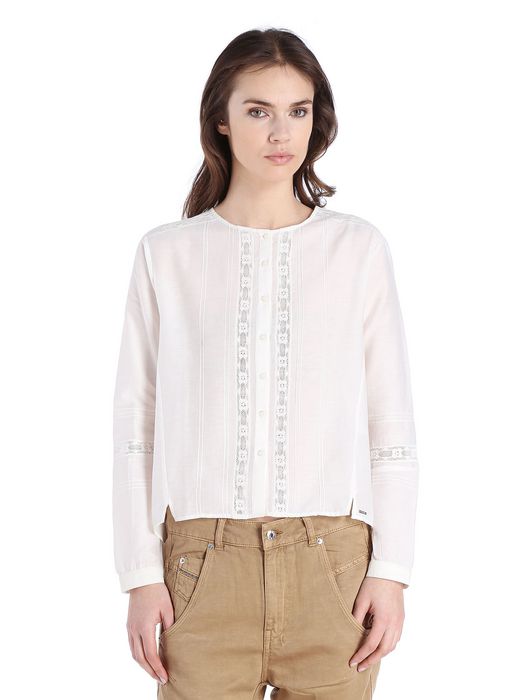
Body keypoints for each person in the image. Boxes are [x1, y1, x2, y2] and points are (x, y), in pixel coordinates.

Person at [112, 27, 419, 699]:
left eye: (297, 110)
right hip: (198, 571)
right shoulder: (167, 254)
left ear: (316, 119)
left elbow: (389, 421)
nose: (281, 132)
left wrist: (391, 569)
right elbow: (137, 426)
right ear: (220, 120)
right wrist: (139, 575)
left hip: (333, 570)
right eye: (258, 111)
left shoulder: (357, 249)